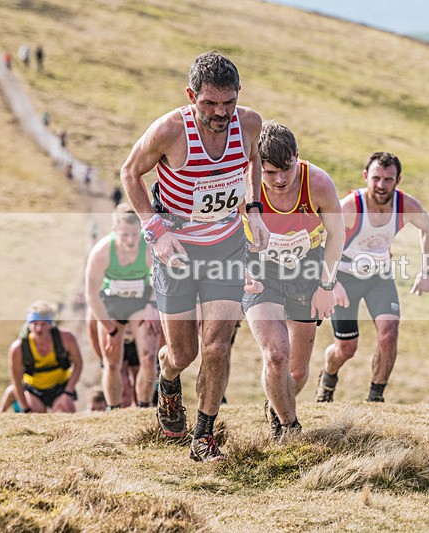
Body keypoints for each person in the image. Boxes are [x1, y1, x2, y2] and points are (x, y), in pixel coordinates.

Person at [120, 51, 268, 462]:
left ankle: (204, 436)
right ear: (191, 96)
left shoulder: (249, 124)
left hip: (226, 246)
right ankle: (168, 381)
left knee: (217, 346)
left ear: (239, 94)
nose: (221, 113)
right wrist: (157, 233)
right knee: (182, 353)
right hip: (178, 252)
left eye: (229, 102)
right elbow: (130, 172)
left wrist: (254, 210)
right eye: (210, 103)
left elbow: (253, 159)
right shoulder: (170, 131)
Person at [243, 121, 344, 439]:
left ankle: (276, 406)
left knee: (296, 371)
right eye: (270, 172)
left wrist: (326, 286)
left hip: (306, 273)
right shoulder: (245, 184)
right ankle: (289, 428)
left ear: (297, 156)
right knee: (276, 355)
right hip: (262, 273)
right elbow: (224, 232)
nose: (280, 179)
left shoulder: (318, 183)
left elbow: (337, 235)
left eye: (287, 168)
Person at [316, 152, 429, 403]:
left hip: (379, 277)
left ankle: (375, 398)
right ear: (365, 177)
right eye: (376, 178)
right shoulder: (351, 207)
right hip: (344, 277)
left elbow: (428, 228)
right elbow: (320, 242)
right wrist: (331, 283)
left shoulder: (406, 206)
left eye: (388, 179)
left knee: (389, 332)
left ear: (398, 180)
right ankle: (328, 377)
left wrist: (427, 272)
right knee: (347, 348)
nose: (381, 185)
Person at [84, 203, 161, 409]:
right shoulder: (101, 253)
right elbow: (91, 295)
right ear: (114, 230)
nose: (130, 240)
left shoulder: (149, 247)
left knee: (148, 357)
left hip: (141, 302)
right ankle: (114, 408)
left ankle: (144, 406)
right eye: (124, 235)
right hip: (111, 304)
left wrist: (152, 305)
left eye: (135, 234)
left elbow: (164, 279)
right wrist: (109, 328)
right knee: (112, 362)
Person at [7, 301, 83, 414]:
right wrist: (25, 408)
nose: (39, 328)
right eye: (34, 323)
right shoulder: (18, 348)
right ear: (28, 324)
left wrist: (68, 392)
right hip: (33, 389)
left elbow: (78, 365)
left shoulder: (66, 338)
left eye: (43, 324)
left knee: (64, 411)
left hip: (60, 387)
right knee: (36, 415)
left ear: (51, 324)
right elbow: (16, 381)